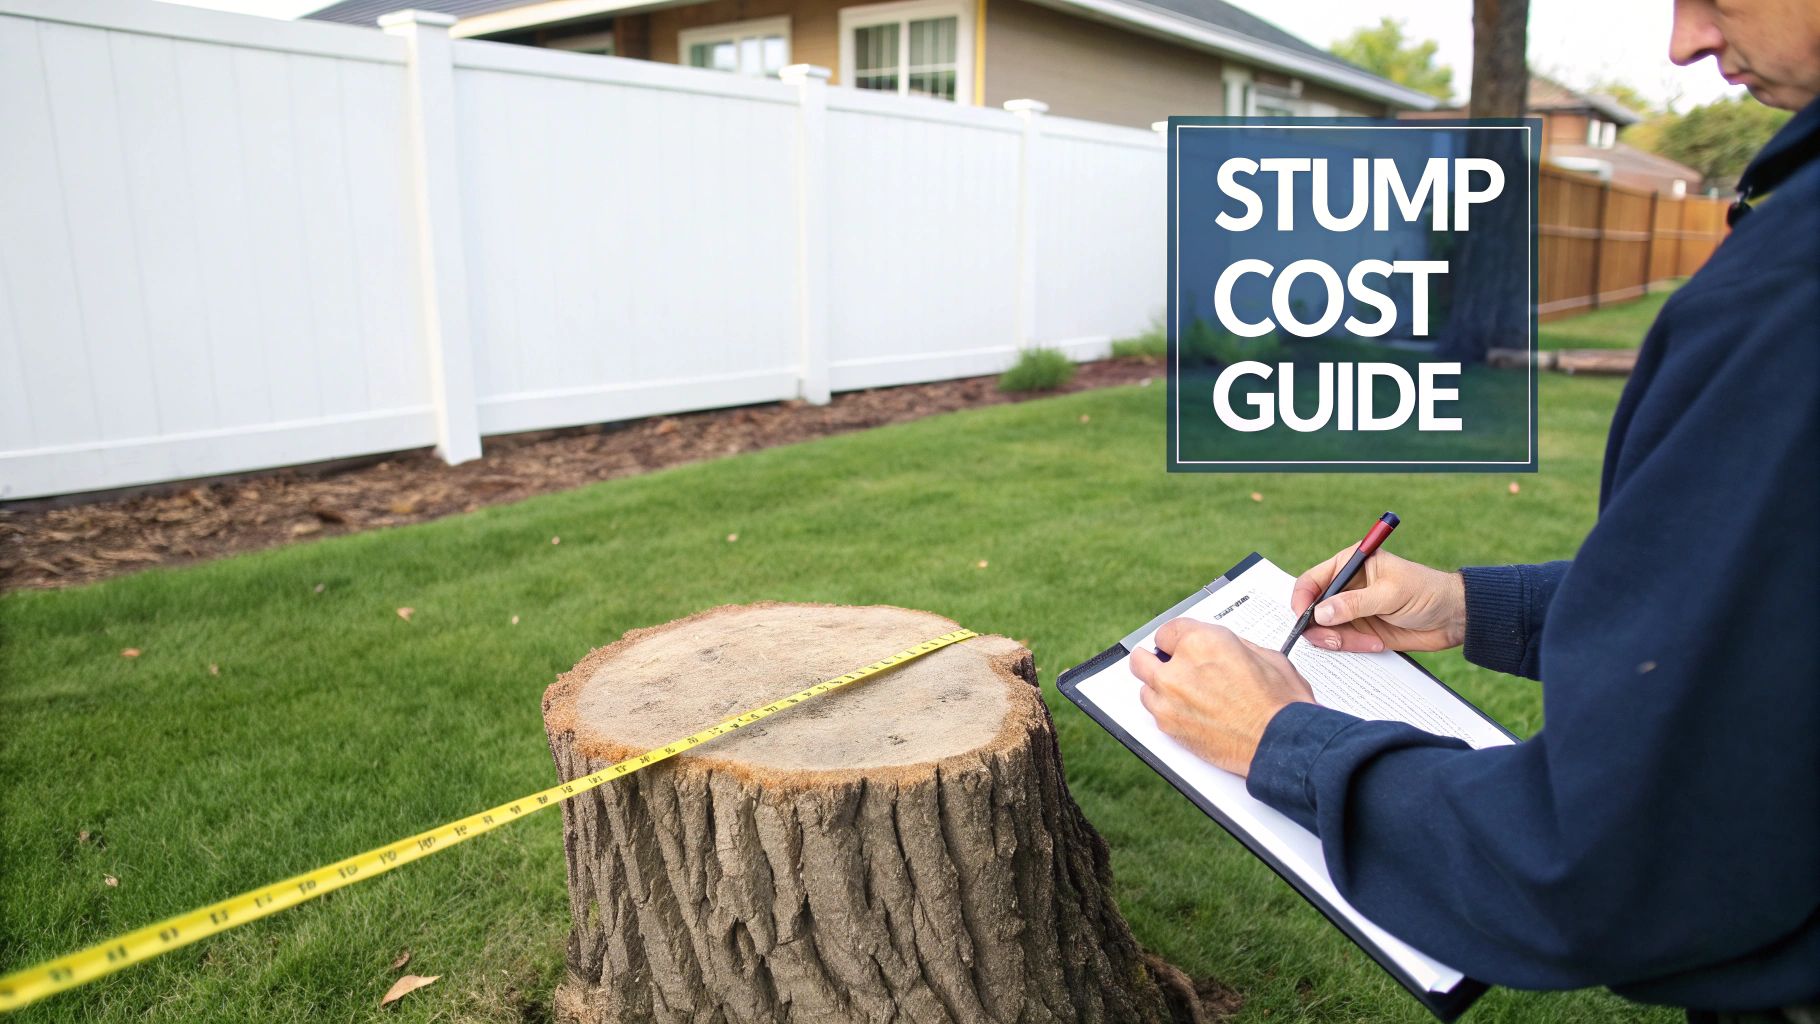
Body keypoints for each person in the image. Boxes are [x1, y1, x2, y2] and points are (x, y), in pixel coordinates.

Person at [1128, 0, 1820, 1020]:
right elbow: (1768, 614)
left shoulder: (1792, 298)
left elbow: (1594, 866)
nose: (1683, 42)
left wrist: (1278, 739)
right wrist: (1466, 606)